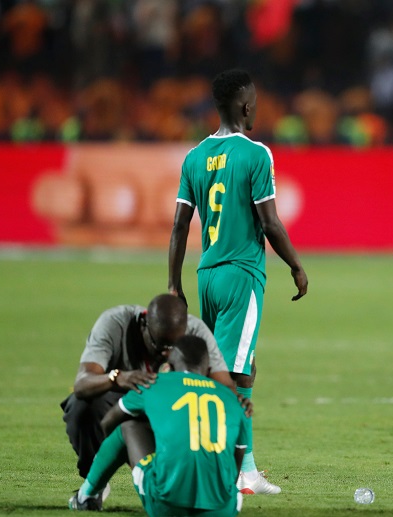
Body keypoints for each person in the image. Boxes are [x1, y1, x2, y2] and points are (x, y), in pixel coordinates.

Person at [168, 68, 308, 495]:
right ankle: (237, 468)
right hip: (241, 275)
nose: (256, 109)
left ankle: (231, 464)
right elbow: (270, 222)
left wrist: (174, 285)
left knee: (235, 370)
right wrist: (296, 265)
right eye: (255, 103)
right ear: (245, 106)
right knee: (232, 374)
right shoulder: (256, 154)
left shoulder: (194, 157)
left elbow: (178, 227)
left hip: (207, 274)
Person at [61, 293, 235, 483]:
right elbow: (82, 384)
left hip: (172, 408)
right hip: (121, 402)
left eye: (173, 347)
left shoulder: (196, 330)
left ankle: (189, 479)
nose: (167, 353)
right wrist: (117, 378)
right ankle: (94, 481)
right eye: (160, 346)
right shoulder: (114, 323)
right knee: (81, 406)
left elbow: (225, 387)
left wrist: (237, 400)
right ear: (144, 323)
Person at [69, 334, 249, 516]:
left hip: (166, 506)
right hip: (223, 509)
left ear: (169, 367)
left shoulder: (152, 383)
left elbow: (108, 422)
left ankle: (86, 496)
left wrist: (131, 457)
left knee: (127, 427)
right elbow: (236, 460)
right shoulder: (233, 399)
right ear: (209, 369)